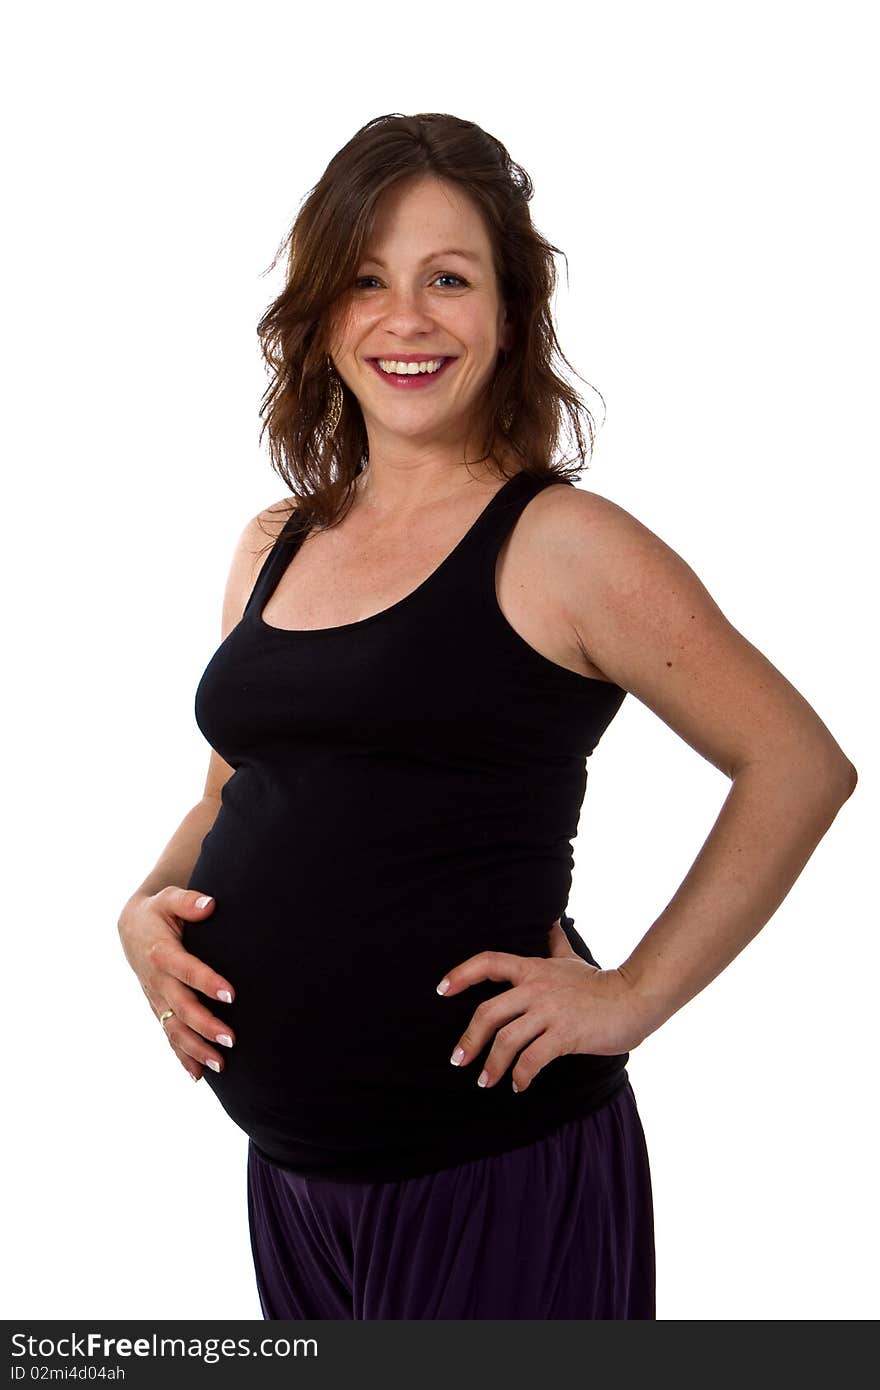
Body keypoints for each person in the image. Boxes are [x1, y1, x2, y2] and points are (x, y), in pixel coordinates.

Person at [117, 112, 857, 1321]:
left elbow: (796, 763)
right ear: (318, 314)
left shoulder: (563, 544)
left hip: (494, 1175)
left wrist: (630, 997)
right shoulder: (272, 543)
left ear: (510, 312)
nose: (404, 319)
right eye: (366, 279)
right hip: (295, 1181)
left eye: (446, 280)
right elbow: (230, 790)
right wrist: (144, 910)